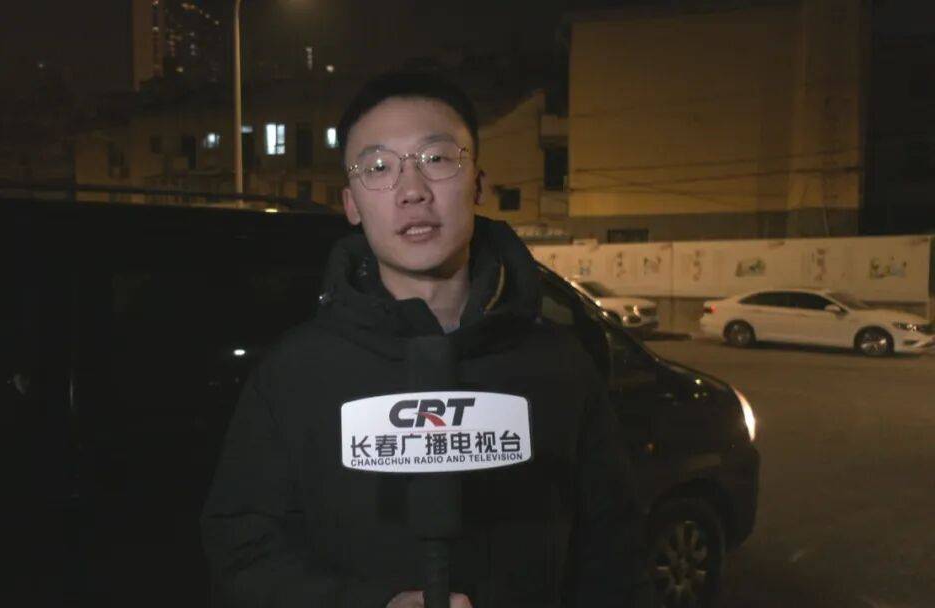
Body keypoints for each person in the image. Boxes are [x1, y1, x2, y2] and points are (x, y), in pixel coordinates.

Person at [201, 72, 650, 608]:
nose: (411, 190)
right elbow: (242, 549)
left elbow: (614, 551)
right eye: (378, 167)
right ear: (351, 203)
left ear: (477, 184)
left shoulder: (558, 365)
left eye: (436, 159)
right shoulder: (293, 372)